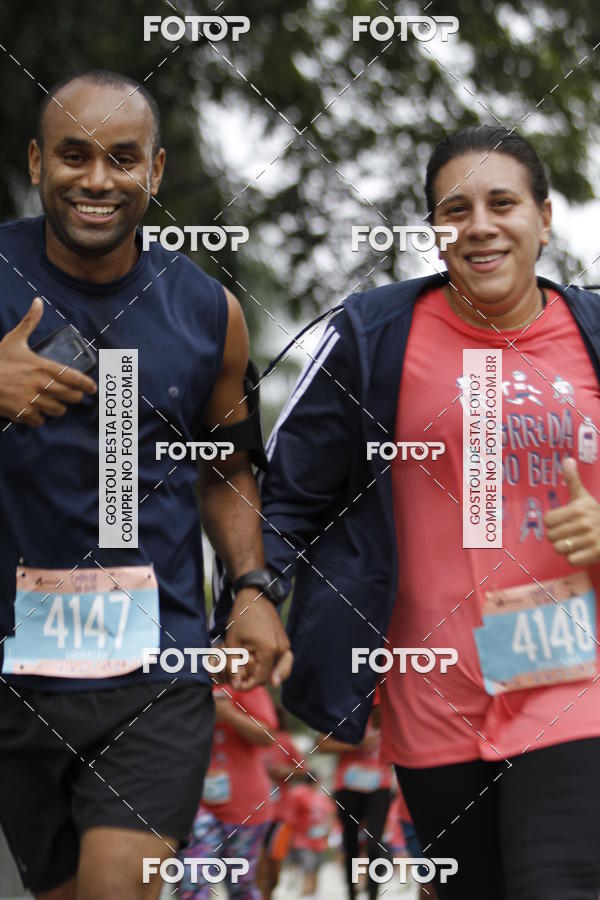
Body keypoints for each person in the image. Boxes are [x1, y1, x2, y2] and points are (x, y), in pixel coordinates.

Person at [255, 125, 600, 898]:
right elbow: (288, 492)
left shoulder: (592, 333)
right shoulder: (371, 336)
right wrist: (254, 594)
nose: (480, 223)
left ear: (544, 219)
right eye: (455, 208)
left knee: (559, 881)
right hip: (432, 692)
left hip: (578, 679)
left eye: (502, 202)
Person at [0, 69, 291, 900]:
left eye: (122, 159)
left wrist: (251, 588)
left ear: (155, 173)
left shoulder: (209, 312)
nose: (97, 180)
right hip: (16, 677)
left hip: (152, 674)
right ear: (35, 161)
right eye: (74, 155)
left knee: (119, 889)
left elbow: (228, 469)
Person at [177, 685, 278, 899]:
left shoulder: (245, 684)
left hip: (247, 807)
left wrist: (228, 713)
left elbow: (268, 736)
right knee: (192, 878)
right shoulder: (181, 681)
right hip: (195, 803)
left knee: (241, 885)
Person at [316, 712, 392, 900]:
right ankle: (351, 893)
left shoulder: (389, 706)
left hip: (380, 786)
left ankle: (373, 895)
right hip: (348, 786)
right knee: (351, 845)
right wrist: (356, 743)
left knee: (375, 844)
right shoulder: (344, 708)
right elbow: (321, 744)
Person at [257, 707, 304, 899]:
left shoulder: (284, 741)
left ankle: (270, 891)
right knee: (258, 867)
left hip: (281, 815)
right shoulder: (249, 739)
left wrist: (285, 771)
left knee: (274, 868)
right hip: (255, 815)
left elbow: (302, 770)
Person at [286, 771, 336, 899]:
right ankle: (305, 895)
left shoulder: (321, 797)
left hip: (319, 841)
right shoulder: (298, 793)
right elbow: (290, 815)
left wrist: (327, 835)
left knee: (315, 872)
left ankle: (312, 896)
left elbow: (330, 815)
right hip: (302, 840)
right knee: (308, 870)